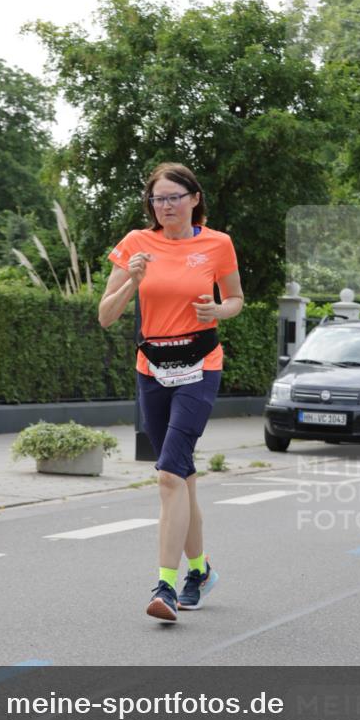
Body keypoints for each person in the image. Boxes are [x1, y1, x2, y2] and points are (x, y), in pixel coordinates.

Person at [99, 163, 244, 622]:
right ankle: (200, 571)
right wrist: (131, 281)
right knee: (181, 478)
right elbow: (105, 315)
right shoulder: (135, 244)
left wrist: (217, 308)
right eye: (158, 199)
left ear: (194, 198)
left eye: (174, 197)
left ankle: (165, 584)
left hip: (201, 366)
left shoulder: (217, 244)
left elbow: (236, 300)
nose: (165, 206)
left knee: (166, 476)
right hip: (153, 369)